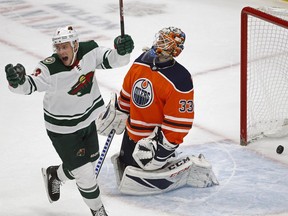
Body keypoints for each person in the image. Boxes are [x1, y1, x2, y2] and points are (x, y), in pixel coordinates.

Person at [4, 25, 134, 215]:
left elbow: (114, 60)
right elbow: (29, 85)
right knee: (86, 175)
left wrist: (123, 51)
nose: (61, 51)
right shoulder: (49, 68)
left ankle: (55, 174)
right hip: (62, 130)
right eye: (58, 48)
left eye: (65, 46)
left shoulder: (89, 50)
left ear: (75, 44)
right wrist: (17, 82)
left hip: (87, 121)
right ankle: (98, 211)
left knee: (87, 163)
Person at [96, 27, 218, 195]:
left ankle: (188, 167)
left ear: (174, 49)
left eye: (164, 41)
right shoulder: (142, 61)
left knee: (138, 176)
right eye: (159, 39)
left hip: (151, 142)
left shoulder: (180, 78)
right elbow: (128, 91)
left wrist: (162, 150)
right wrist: (120, 110)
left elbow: (179, 122)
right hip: (132, 134)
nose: (158, 43)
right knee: (125, 166)